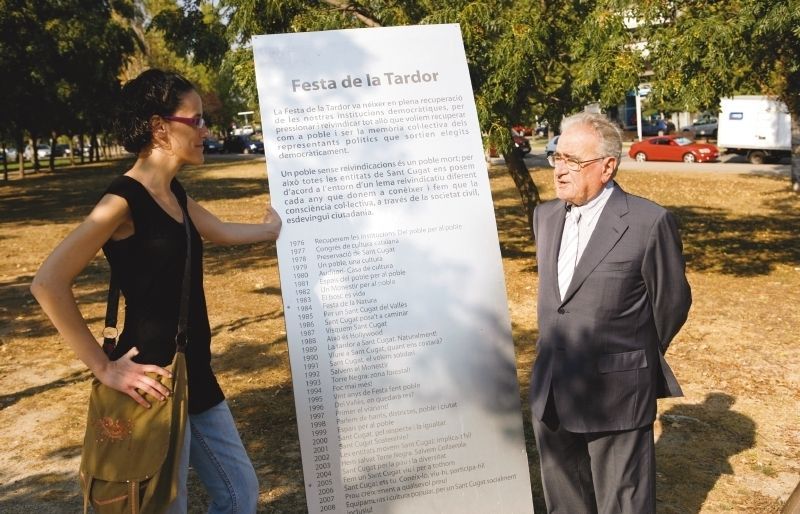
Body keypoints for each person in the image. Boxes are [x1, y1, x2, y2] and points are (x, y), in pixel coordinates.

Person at [30, 69, 281, 513]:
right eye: (197, 120)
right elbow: (48, 283)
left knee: (239, 492)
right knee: (165, 503)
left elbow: (218, 231)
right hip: (151, 380)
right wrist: (104, 369)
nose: (206, 130)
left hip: (193, 369)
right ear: (159, 126)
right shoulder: (122, 200)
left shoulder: (172, 192)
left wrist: (268, 231)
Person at [530, 111, 691, 514]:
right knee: (565, 501)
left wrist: (628, 357)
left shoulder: (648, 222)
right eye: (557, 158)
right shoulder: (545, 217)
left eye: (573, 161)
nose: (560, 171)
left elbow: (671, 304)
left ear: (607, 167)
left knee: (623, 504)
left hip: (616, 393)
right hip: (552, 388)